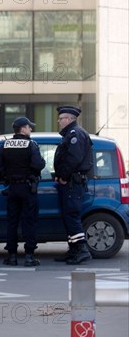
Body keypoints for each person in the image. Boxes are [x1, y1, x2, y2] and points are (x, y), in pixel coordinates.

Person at [0, 117, 46, 266]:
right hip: (28, 188)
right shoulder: (31, 145)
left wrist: (6, 174)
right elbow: (38, 164)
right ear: (23, 129)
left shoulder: (5, 145)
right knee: (29, 222)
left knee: (12, 222)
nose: (30, 130)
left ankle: (12, 256)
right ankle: (29, 257)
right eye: (29, 127)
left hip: (12, 188)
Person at [53, 106, 94, 265]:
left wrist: (63, 176)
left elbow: (73, 159)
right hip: (70, 182)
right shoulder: (71, 134)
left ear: (69, 119)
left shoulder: (75, 134)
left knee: (72, 216)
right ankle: (73, 249)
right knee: (69, 217)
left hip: (72, 183)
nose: (58, 121)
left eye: (61, 118)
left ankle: (82, 251)